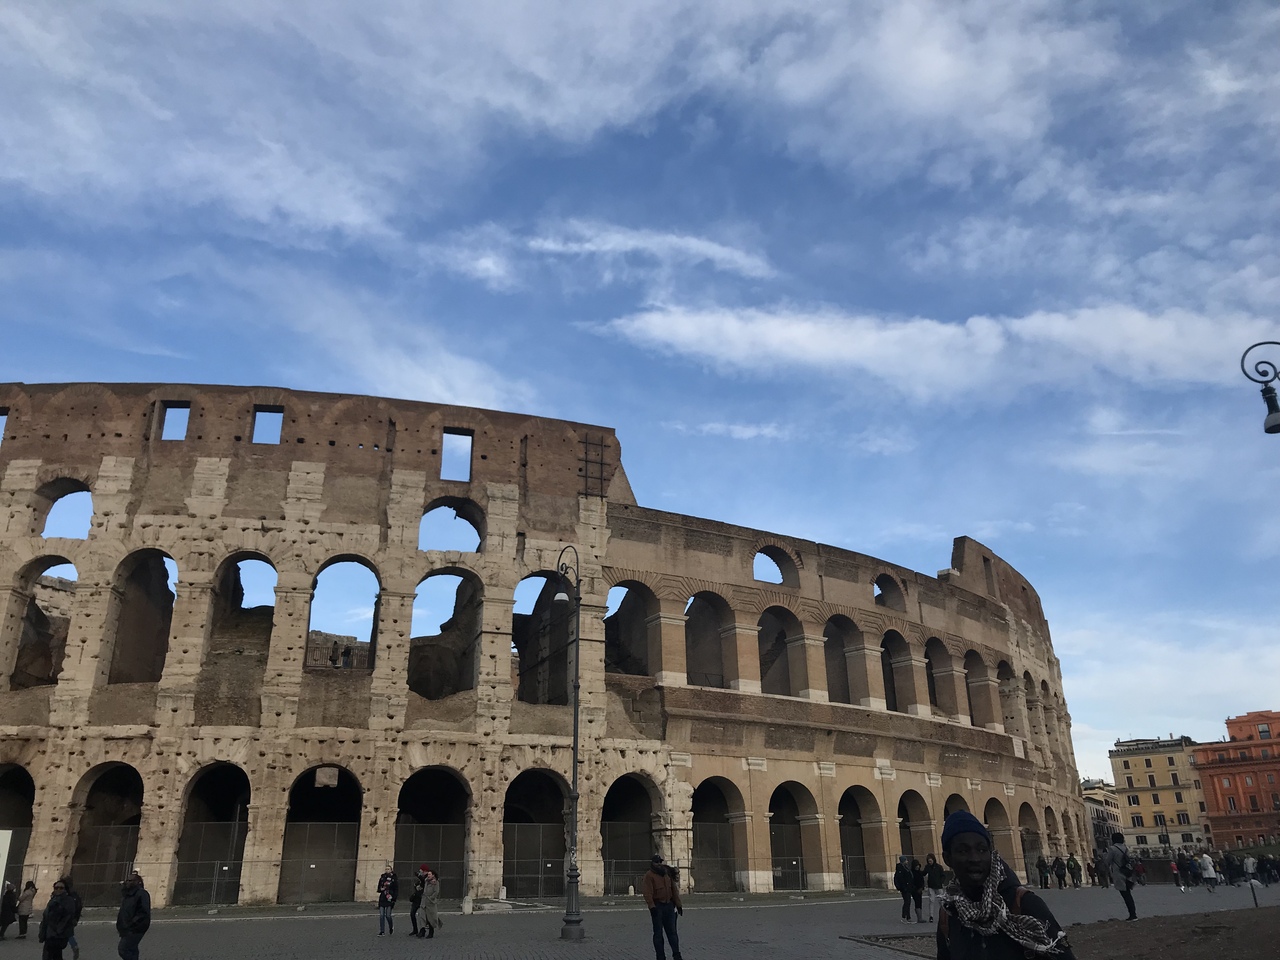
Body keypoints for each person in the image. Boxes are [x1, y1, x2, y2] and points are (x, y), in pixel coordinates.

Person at [936, 810, 1075, 959]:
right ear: (947, 858)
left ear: (991, 854)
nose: (974, 858)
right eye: (963, 851)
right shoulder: (949, 914)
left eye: (982, 850)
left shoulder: (1024, 904)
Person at [642, 853, 683, 960]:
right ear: (653, 863)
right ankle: (660, 956)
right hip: (658, 906)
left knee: (672, 933)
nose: (659, 864)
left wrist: (678, 905)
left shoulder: (666, 873)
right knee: (658, 934)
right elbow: (647, 893)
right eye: (657, 862)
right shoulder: (649, 875)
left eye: (660, 862)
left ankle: (676, 954)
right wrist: (652, 907)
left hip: (669, 906)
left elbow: (674, 890)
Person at [116, 870, 151, 960]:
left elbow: (143, 912)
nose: (127, 882)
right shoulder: (127, 895)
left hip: (135, 928)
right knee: (132, 950)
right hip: (125, 927)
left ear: (137, 882)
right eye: (127, 880)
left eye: (130, 881)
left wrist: (132, 924)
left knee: (123, 949)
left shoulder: (142, 894)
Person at [39, 879, 76, 960]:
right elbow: (46, 917)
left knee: (54, 955)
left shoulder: (68, 900)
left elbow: (67, 917)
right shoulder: (52, 900)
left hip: (58, 935)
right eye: (56, 888)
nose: (58, 889)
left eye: (61, 888)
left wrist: (58, 930)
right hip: (49, 934)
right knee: (50, 955)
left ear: (65, 889)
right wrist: (42, 932)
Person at [1103, 832, 1137, 921]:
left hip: (1119, 872)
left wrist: (1104, 855)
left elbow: (1107, 861)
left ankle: (1132, 915)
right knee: (1128, 893)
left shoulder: (1112, 848)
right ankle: (1133, 913)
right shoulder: (1125, 848)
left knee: (1125, 894)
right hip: (1126, 872)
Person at [60, 876, 83, 960]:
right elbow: (79, 906)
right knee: (68, 934)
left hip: (64, 918)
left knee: (60, 934)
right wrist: (76, 918)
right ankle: (74, 946)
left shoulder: (65, 894)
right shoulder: (75, 894)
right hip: (72, 919)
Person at [420, 867, 442, 939]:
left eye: (430, 874)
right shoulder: (426, 881)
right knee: (422, 916)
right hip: (424, 902)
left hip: (430, 902)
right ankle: (422, 930)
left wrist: (431, 898)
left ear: (433, 875)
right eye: (428, 874)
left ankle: (431, 932)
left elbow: (436, 892)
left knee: (431, 918)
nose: (428, 875)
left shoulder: (435, 882)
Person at [924, 853, 946, 923]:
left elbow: (943, 875)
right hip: (931, 886)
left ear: (933, 860)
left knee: (941, 901)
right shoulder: (927, 867)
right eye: (928, 861)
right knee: (931, 901)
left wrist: (941, 882)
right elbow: (923, 873)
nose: (929, 862)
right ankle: (931, 916)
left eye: (930, 861)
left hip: (938, 886)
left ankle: (944, 916)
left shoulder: (939, 867)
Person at [376, 863, 398, 936]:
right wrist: (381, 889)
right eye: (386, 869)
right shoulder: (382, 878)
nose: (387, 870)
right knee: (381, 915)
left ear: (391, 870)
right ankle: (382, 931)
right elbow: (378, 888)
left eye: (388, 869)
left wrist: (394, 898)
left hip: (389, 898)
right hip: (382, 898)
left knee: (388, 915)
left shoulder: (394, 878)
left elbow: (396, 889)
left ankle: (391, 927)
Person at [894, 857, 915, 923]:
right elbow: (899, 879)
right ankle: (906, 917)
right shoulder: (901, 869)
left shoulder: (905, 868)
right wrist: (902, 887)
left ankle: (906, 917)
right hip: (905, 888)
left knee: (908, 902)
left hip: (908, 888)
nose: (907, 861)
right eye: (906, 860)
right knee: (907, 902)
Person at [408, 865, 425, 937]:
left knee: (422, 915)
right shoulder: (419, 881)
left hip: (422, 899)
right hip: (416, 899)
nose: (420, 872)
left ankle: (422, 930)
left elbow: (423, 882)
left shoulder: (426, 878)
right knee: (412, 914)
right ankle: (415, 929)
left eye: (421, 871)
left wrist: (419, 876)